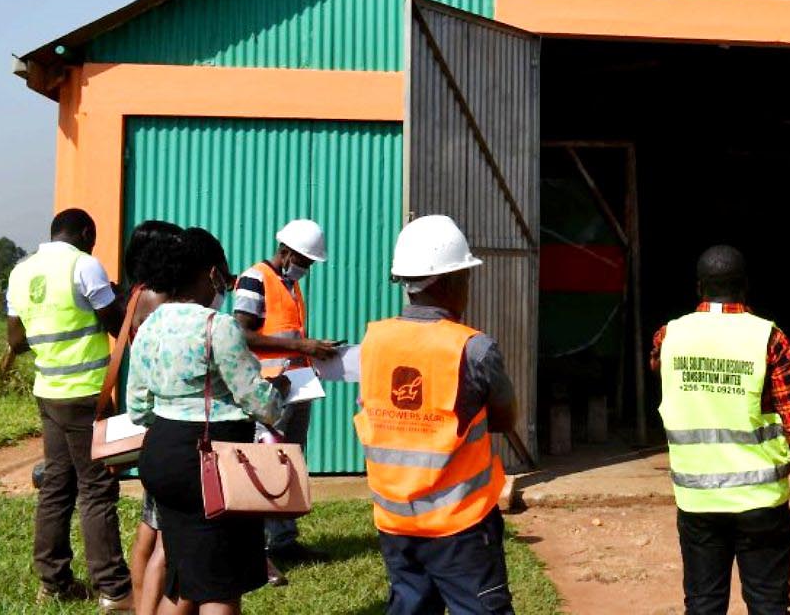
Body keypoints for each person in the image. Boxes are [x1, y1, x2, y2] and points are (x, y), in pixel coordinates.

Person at [651, 245, 790, 615]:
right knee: (768, 606)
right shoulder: (769, 338)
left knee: (703, 605)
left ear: (700, 287)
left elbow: (661, 371)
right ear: (745, 287)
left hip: (697, 502)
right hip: (761, 504)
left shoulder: (668, 338)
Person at [354, 215, 517, 615]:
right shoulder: (473, 348)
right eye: (465, 276)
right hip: (458, 524)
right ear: (448, 281)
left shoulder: (374, 341)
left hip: (395, 521)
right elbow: (505, 419)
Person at [128, 227, 288, 614]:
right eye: (225, 275)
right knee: (220, 585)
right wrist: (279, 392)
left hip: (161, 455)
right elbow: (257, 400)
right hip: (209, 463)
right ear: (209, 272)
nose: (227, 283)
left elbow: (137, 407)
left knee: (183, 578)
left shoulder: (151, 324)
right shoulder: (218, 326)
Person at [2, 208, 132, 610]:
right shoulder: (85, 265)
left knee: (56, 486)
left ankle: (53, 582)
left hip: (49, 391)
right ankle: (113, 588)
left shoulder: (20, 272)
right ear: (86, 232)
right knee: (96, 489)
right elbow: (115, 324)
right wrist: (120, 297)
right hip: (87, 394)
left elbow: (16, 338)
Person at [232, 218, 339, 567]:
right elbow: (241, 334)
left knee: (289, 463)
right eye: (304, 261)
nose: (306, 268)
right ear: (285, 251)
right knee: (266, 464)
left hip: (296, 385)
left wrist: (312, 350)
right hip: (267, 389)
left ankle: (283, 541)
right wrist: (305, 345)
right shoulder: (255, 279)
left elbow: (288, 336)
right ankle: (257, 550)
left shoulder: (289, 285)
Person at [120, 220, 184, 615]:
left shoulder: (137, 293)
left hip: (154, 419)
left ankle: (136, 599)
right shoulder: (160, 300)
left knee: (149, 524)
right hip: (169, 416)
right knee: (164, 535)